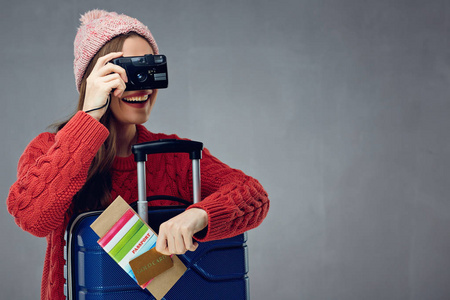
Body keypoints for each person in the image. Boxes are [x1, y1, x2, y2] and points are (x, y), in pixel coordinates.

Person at [6, 9, 269, 300]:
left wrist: (198, 216)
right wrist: (89, 117)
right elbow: (32, 217)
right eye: (126, 71)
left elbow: (253, 195)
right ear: (93, 80)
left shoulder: (175, 156)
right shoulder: (50, 148)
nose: (142, 84)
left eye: (149, 67)